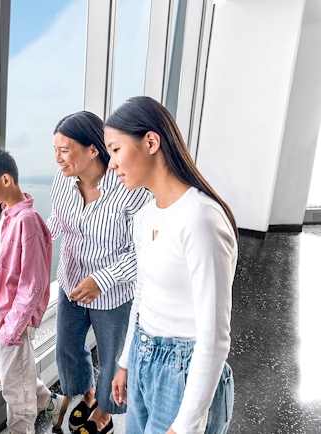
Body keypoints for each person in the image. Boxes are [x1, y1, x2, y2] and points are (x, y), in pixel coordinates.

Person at [107, 96, 238, 434]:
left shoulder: (200, 219)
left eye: (116, 150)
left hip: (185, 372)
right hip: (142, 353)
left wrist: (187, 425)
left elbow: (214, 336)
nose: (111, 164)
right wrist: (125, 363)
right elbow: (143, 292)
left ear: (151, 141)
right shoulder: (146, 214)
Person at [48, 111, 152, 434]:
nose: (58, 159)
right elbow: (56, 222)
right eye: (55, 151)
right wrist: (30, 236)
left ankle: (105, 414)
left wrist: (101, 280)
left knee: (111, 357)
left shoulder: (129, 189)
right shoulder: (62, 181)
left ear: (93, 150)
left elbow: (143, 252)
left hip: (112, 292)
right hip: (71, 282)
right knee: (67, 346)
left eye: (65, 150)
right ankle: (90, 396)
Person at [0, 147, 67, 434]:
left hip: (11, 324)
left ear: (6, 180)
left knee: (17, 396)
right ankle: (50, 402)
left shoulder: (28, 221)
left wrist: (12, 329)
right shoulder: (8, 215)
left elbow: (34, 284)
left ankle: (23, 426)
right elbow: (6, 259)